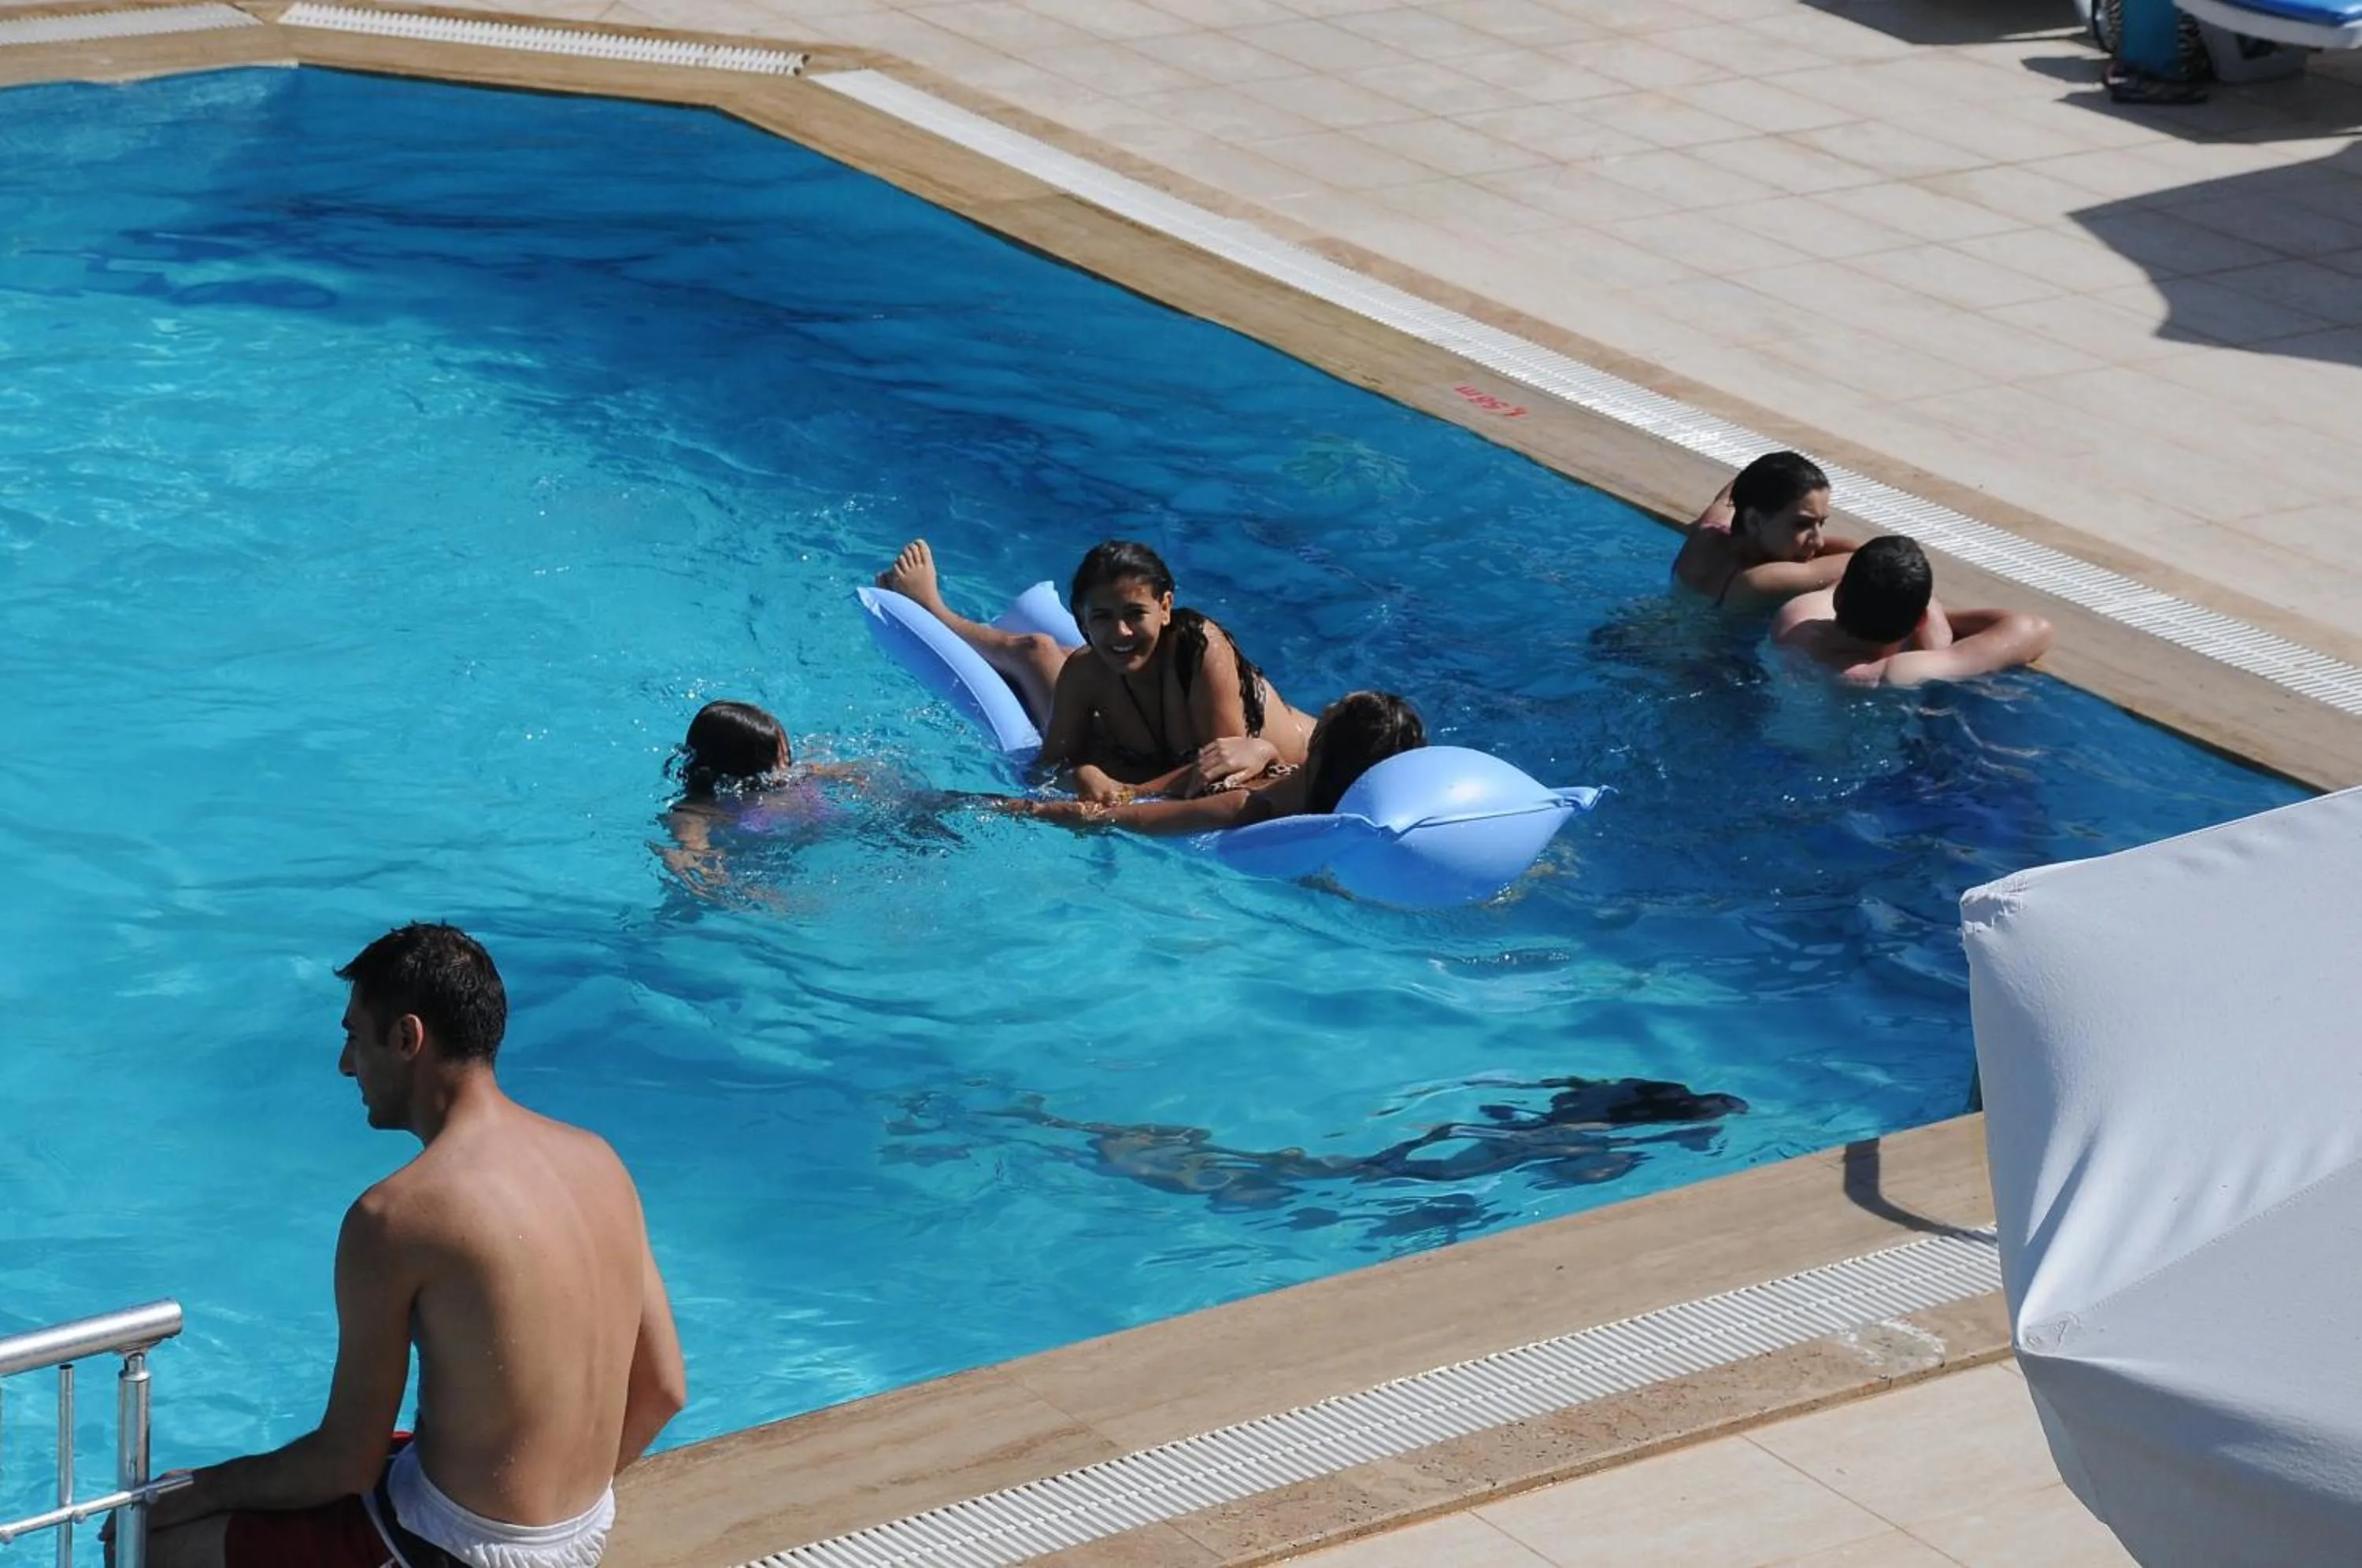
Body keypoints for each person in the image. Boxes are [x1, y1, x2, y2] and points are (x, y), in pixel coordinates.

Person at [138, 923, 687, 1568]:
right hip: (583, 1531)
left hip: (458, 1550)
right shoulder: (600, 1161)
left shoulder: (395, 1217)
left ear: (406, 1039)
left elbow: (345, 1461)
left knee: (155, 1537)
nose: (346, 1064)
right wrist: (550, 1519)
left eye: (353, 1036)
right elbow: (663, 1390)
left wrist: (196, 1488)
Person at [877, 538, 1316, 802]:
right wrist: (1076, 774)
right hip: (1144, 737)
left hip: (1302, 749)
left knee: (1041, 655)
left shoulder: (1202, 648)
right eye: (1102, 617)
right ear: (1081, 619)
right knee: (1039, 652)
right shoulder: (1089, 670)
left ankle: (939, 610)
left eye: (1136, 613)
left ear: (1166, 607)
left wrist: (1126, 793)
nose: (1121, 630)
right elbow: (1045, 769)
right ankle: (934, 609)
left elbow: (1220, 772)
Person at [1004, 690, 1425, 836]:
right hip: (1133, 783)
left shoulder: (1245, 805)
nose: (1325, 706)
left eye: (1332, 712)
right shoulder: (1285, 772)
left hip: (1110, 797)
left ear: (1326, 739)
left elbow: (1118, 818)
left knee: (1039, 656)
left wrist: (1016, 810)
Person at [1772, 535, 2056, 687]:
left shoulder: (1796, 619)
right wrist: (1938, 630)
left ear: (1840, 597)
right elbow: (2035, 630)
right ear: (1921, 620)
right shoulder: (1895, 674)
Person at [1672, 450, 1857, 613]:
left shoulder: (1708, 530)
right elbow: (1869, 560)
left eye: (1821, 523)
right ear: (1754, 521)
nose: (1819, 542)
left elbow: (1737, 488)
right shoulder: (1759, 582)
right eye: (1801, 524)